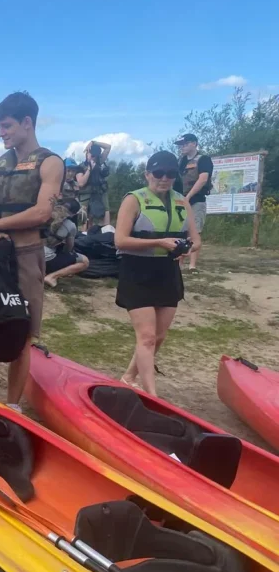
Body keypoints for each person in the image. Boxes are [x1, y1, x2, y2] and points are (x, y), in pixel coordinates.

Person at [0, 92, 63, 410]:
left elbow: (42, 212)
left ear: (27, 122)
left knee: (21, 333)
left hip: (25, 256)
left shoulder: (50, 163)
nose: (1, 133)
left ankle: (12, 407)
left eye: (6, 126)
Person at [115, 151, 201, 396]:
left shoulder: (182, 201)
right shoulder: (134, 200)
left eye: (170, 174)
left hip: (168, 272)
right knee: (147, 337)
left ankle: (128, 377)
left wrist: (187, 248)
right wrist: (159, 243)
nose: (164, 178)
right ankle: (151, 394)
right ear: (147, 174)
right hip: (137, 272)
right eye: (158, 173)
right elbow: (120, 240)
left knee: (159, 336)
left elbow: (196, 240)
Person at [174, 133, 213, 273]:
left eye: (185, 144)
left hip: (196, 200)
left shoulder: (203, 159)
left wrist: (189, 196)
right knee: (180, 231)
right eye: (181, 145)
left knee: (195, 231)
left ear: (194, 143)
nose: (182, 147)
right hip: (180, 200)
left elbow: (203, 179)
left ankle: (192, 265)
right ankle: (179, 264)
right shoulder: (181, 161)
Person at [43, 199, 89, 287]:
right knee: (84, 261)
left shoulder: (43, 215)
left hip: (30, 254)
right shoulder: (70, 225)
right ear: (74, 214)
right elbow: (68, 248)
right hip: (45, 259)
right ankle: (52, 277)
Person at [77, 140, 112, 229]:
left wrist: (94, 142)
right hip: (86, 194)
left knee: (106, 212)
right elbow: (81, 183)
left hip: (100, 192)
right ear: (87, 154)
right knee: (85, 217)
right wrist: (89, 169)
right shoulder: (81, 167)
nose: (93, 158)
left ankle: (106, 232)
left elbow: (108, 147)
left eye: (95, 156)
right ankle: (84, 234)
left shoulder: (99, 162)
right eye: (91, 155)